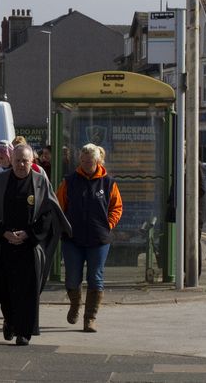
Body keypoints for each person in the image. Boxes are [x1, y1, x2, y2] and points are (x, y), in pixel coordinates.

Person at [0, 145, 71, 346]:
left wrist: (28, 234)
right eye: (17, 161)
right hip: (4, 244)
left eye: (25, 161)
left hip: (29, 246)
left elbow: (48, 213)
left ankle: (24, 331)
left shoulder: (40, 181)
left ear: (31, 161)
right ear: (10, 161)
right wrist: (3, 233)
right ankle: (10, 321)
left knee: (27, 290)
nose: (21, 165)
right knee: (5, 289)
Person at [56, 143, 122, 333]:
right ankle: (75, 305)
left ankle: (90, 318)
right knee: (72, 278)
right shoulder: (69, 181)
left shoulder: (108, 182)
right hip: (72, 239)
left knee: (96, 278)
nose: (86, 165)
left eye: (90, 162)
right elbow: (59, 205)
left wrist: (108, 224)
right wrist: (63, 227)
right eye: (83, 161)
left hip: (99, 239)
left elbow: (117, 207)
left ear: (98, 161)